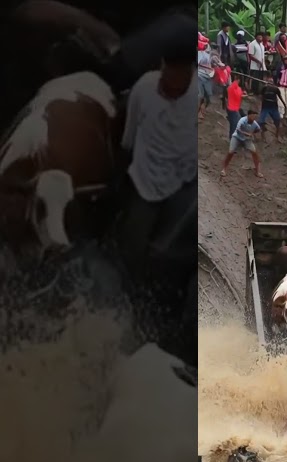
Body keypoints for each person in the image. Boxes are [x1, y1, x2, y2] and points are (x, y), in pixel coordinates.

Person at [116, 41, 194, 356]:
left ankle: (169, 322)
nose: (173, 80)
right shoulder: (143, 90)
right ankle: (128, 304)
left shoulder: (195, 99)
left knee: (174, 255)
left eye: (180, 73)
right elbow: (129, 139)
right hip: (146, 181)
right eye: (168, 71)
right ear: (161, 67)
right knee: (131, 251)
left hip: (185, 184)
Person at [221, 108, 262, 177]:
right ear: (248, 115)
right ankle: (224, 169)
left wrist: (252, 133)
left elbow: (258, 129)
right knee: (231, 152)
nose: (254, 118)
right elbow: (238, 129)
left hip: (247, 139)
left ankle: (257, 171)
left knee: (254, 152)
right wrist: (246, 133)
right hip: (237, 137)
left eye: (255, 116)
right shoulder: (242, 120)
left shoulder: (255, 124)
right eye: (252, 116)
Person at [257, 77, 284, 141]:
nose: (270, 83)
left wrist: (284, 104)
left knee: (277, 121)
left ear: (273, 83)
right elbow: (260, 96)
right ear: (267, 82)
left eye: (271, 82)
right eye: (269, 82)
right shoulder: (264, 88)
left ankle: (277, 136)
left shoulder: (276, 89)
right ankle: (262, 136)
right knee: (261, 122)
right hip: (265, 107)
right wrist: (262, 103)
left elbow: (280, 97)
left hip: (274, 107)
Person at [275, 53, 287, 123]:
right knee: (281, 104)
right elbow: (276, 76)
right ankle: (280, 118)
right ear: (284, 60)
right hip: (281, 87)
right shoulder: (280, 68)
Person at [197, 45, 215, 118]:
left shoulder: (208, 55)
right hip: (200, 76)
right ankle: (199, 113)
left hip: (207, 76)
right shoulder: (200, 54)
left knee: (208, 96)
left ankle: (202, 110)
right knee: (201, 95)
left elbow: (210, 65)